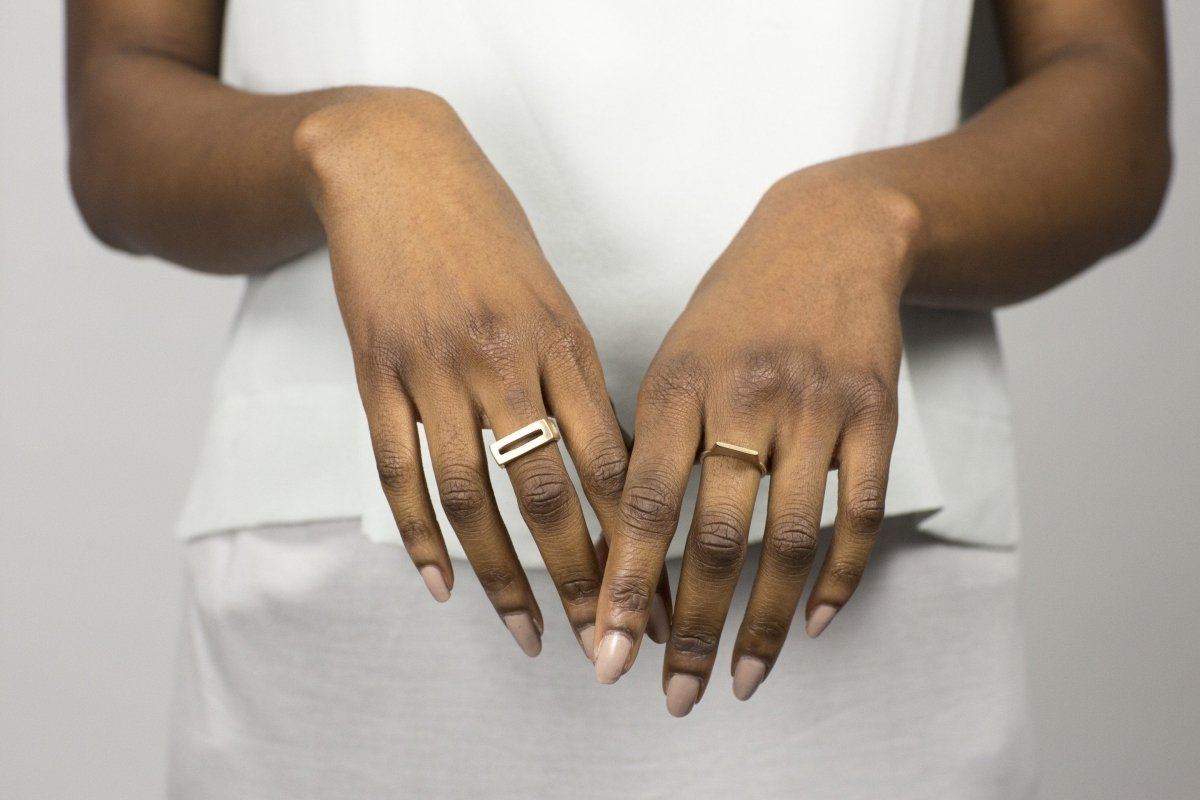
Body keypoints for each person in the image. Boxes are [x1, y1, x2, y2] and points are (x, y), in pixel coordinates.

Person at [66, 0, 1170, 797]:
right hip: (352, 610)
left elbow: (1110, 91)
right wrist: (346, 144)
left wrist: (874, 213)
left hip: (860, 571)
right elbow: (121, 90)